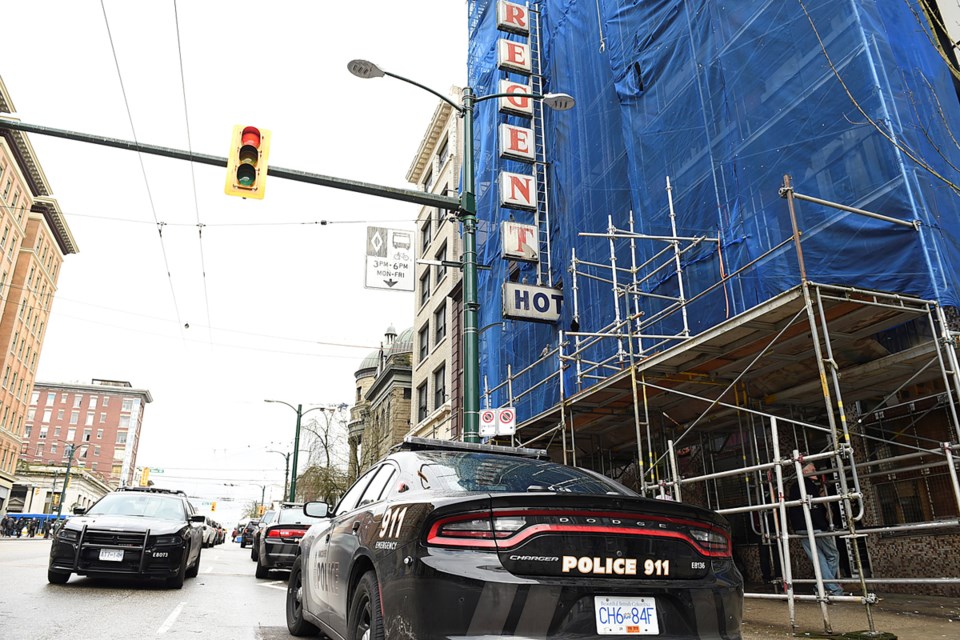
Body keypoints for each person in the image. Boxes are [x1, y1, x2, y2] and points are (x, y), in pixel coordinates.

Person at [788, 461, 843, 597]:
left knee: (819, 559)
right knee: (832, 555)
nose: (816, 472)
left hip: (800, 528)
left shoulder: (794, 487)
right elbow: (814, 508)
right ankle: (830, 587)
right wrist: (824, 526)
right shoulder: (809, 486)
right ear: (805, 472)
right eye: (813, 469)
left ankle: (824, 586)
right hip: (814, 527)